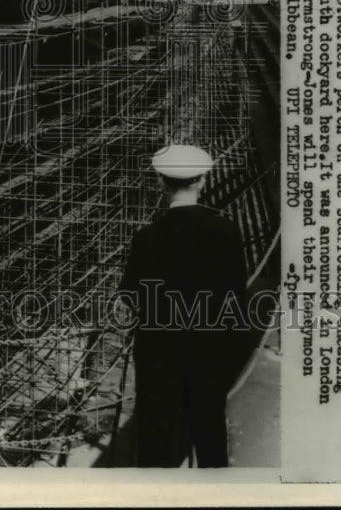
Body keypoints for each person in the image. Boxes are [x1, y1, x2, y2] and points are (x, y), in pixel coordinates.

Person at [119, 145, 249, 468]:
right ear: (203, 181)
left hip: (159, 360)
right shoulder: (227, 232)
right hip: (208, 356)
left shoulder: (146, 238)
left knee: (154, 447)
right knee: (210, 442)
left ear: (162, 183)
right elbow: (237, 299)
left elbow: (130, 296)